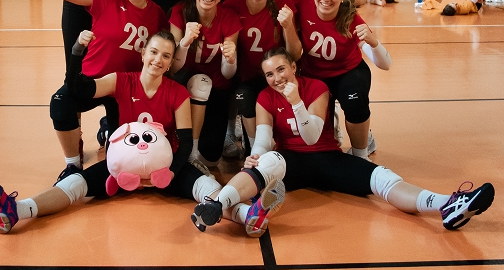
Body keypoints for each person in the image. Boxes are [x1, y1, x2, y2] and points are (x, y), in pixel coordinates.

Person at [0, 31, 283, 238]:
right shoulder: (121, 81)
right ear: (143, 53)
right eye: (154, 52)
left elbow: (184, 141)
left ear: (171, 62)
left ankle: (248, 216)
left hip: (165, 167)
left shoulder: (176, 92)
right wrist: (77, 52)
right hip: (121, 167)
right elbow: (78, 89)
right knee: (74, 184)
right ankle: (15, 210)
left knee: (207, 187)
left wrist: (168, 172)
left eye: (166, 56)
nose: (158, 60)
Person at [188, 46, 495, 233]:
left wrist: (296, 103)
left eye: (281, 69)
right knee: (266, 162)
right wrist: (255, 154)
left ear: (293, 67)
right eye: (270, 74)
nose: (277, 78)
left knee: (383, 179)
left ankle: (447, 204)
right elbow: (264, 139)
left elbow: (311, 137)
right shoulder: (265, 98)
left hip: (327, 158)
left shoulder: (316, 88)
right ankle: (218, 206)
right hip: (291, 163)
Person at [50, 0, 168, 173]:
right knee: (60, 103)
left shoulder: (158, 15)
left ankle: (107, 128)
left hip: (125, 87)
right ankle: (73, 165)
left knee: (121, 160)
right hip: (93, 79)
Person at [295, 0, 391, 159]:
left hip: (347, 72)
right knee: (319, 142)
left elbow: (385, 64)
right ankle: (333, 126)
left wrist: (373, 42)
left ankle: (361, 153)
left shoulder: (351, 19)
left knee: (354, 103)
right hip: (313, 74)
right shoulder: (302, 9)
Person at [224, 0, 302, 152]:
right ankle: (255, 149)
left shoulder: (283, 3)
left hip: (276, 76)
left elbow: (295, 54)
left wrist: (288, 26)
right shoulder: (233, 3)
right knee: (244, 97)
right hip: (246, 76)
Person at [169, 0, 241, 166]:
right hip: (184, 85)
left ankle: (201, 148)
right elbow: (173, 68)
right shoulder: (180, 12)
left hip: (217, 87)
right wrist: (184, 42)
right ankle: (190, 153)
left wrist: (230, 59)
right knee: (200, 81)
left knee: (211, 158)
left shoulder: (229, 17)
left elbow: (228, 75)